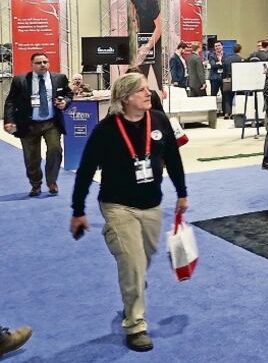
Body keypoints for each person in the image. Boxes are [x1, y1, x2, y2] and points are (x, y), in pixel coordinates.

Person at [70, 72, 188, 353]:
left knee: (142, 260)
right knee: (133, 264)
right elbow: (85, 171)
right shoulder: (106, 130)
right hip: (118, 206)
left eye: (148, 89)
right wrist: (78, 210)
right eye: (141, 91)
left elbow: (173, 158)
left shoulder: (159, 120)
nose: (148, 94)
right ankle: (135, 325)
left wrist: (182, 193)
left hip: (152, 205)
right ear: (124, 99)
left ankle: (132, 284)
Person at [3, 52, 69, 196]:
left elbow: (68, 94)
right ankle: (35, 184)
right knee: (32, 157)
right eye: (38, 63)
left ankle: (52, 181)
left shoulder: (60, 78)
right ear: (32, 65)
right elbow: (10, 101)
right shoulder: (20, 80)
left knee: (55, 150)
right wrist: (9, 120)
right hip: (28, 123)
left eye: (45, 62)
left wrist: (65, 102)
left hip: (51, 123)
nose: (42, 65)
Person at [126, 0, 163, 92]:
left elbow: (159, 27)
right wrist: (135, 23)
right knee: (140, 73)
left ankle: (159, 93)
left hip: (154, 37)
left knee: (156, 77)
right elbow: (133, 4)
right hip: (142, 34)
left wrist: (147, 47)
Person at [222, 43, 243, 118]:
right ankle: (237, 112)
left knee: (228, 97)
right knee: (239, 96)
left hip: (228, 79)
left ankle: (227, 113)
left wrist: (224, 79)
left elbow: (224, 70)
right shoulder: (240, 59)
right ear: (240, 50)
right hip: (238, 80)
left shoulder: (227, 59)